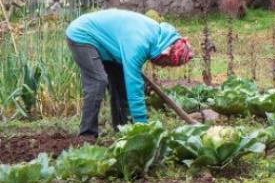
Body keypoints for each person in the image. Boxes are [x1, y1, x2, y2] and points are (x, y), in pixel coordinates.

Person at [66, 9, 193, 137]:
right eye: (166, 63)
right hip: (83, 34)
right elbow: (134, 90)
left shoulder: (160, 37)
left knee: (121, 85)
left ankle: (123, 131)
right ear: (165, 52)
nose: (164, 66)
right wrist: (143, 128)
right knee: (98, 81)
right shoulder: (138, 45)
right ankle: (87, 135)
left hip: (108, 43)